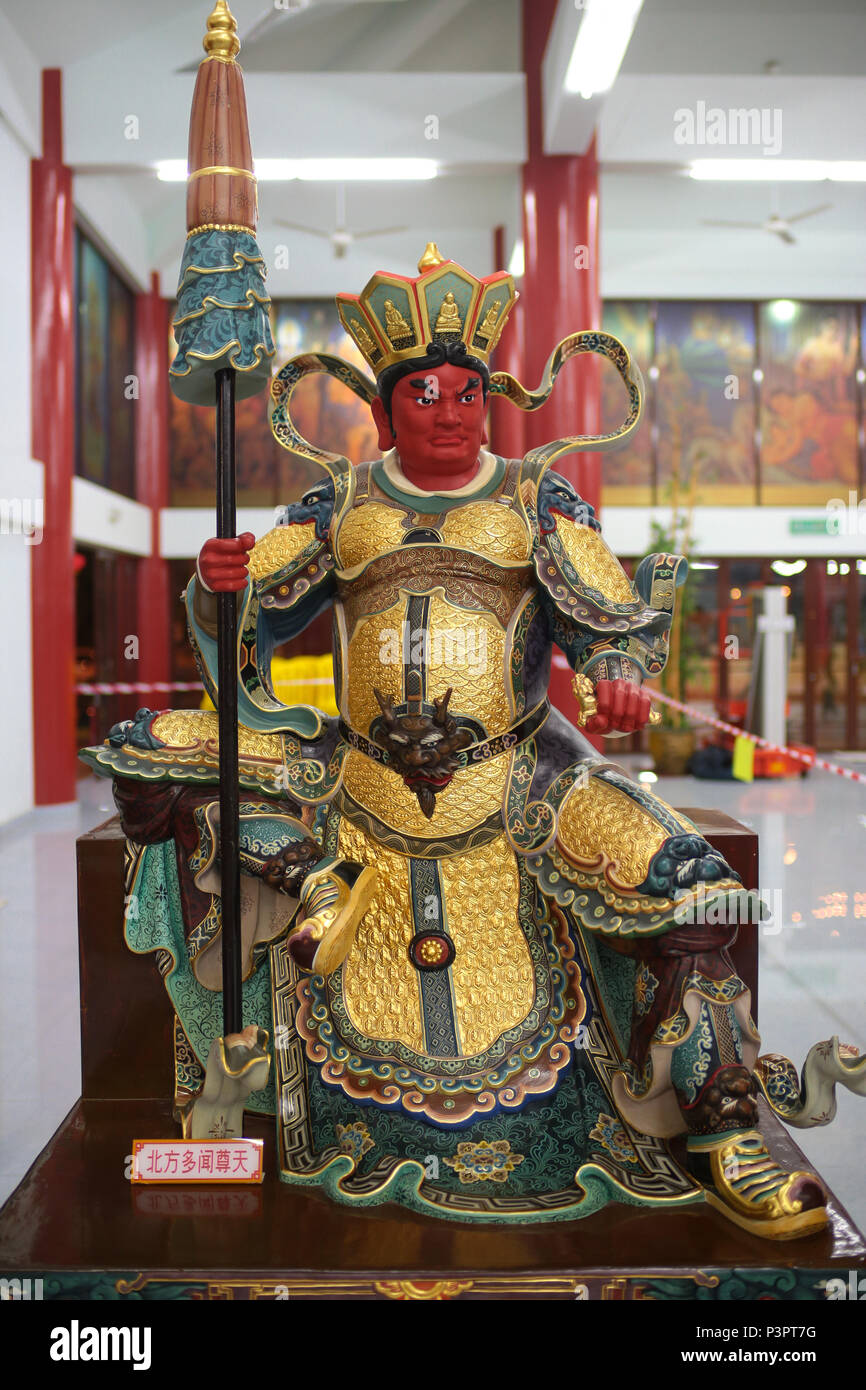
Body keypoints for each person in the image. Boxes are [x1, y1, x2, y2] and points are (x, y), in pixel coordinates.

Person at [85, 245, 848, 1234]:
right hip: (360, 777)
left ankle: (720, 1126)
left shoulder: (537, 499)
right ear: (383, 405)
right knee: (157, 750)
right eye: (424, 394)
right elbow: (246, 616)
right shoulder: (340, 505)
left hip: (521, 775)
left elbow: (604, 619)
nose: (448, 412)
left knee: (687, 877)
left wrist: (618, 682)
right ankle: (311, 902)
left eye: (466, 393)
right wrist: (220, 581)